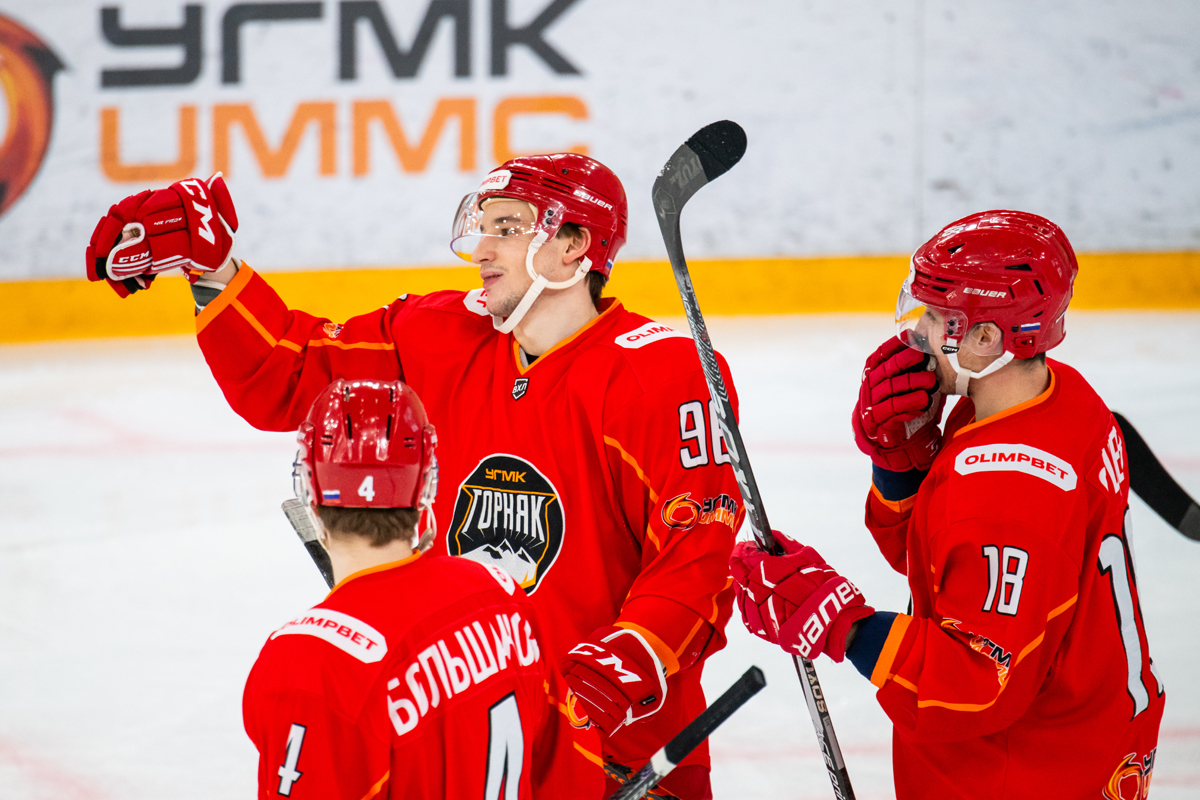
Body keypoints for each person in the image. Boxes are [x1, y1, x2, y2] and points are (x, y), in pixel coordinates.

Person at [85, 156, 743, 799]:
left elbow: (698, 563)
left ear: (574, 246)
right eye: (482, 226)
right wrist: (213, 269)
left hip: (624, 753)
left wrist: (610, 677)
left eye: (508, 228)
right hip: (467, 740)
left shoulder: (662, 376)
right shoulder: (439, 333)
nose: (482, 249)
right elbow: (289, 372)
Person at [729, 211, 1164, 799]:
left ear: (987, 339)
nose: (920, 331)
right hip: (1082, 740)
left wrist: (841, 625)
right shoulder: (1054, 400)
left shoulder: (1008, 494)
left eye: (937, 316)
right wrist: (901, 459)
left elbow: (976, 685)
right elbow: (940, 563)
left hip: (1020, 774)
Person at [243, 377, 604, 799]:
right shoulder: (498, 595)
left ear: (309, 490)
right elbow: (573, 776)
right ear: (425, 486)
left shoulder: (310, 665)